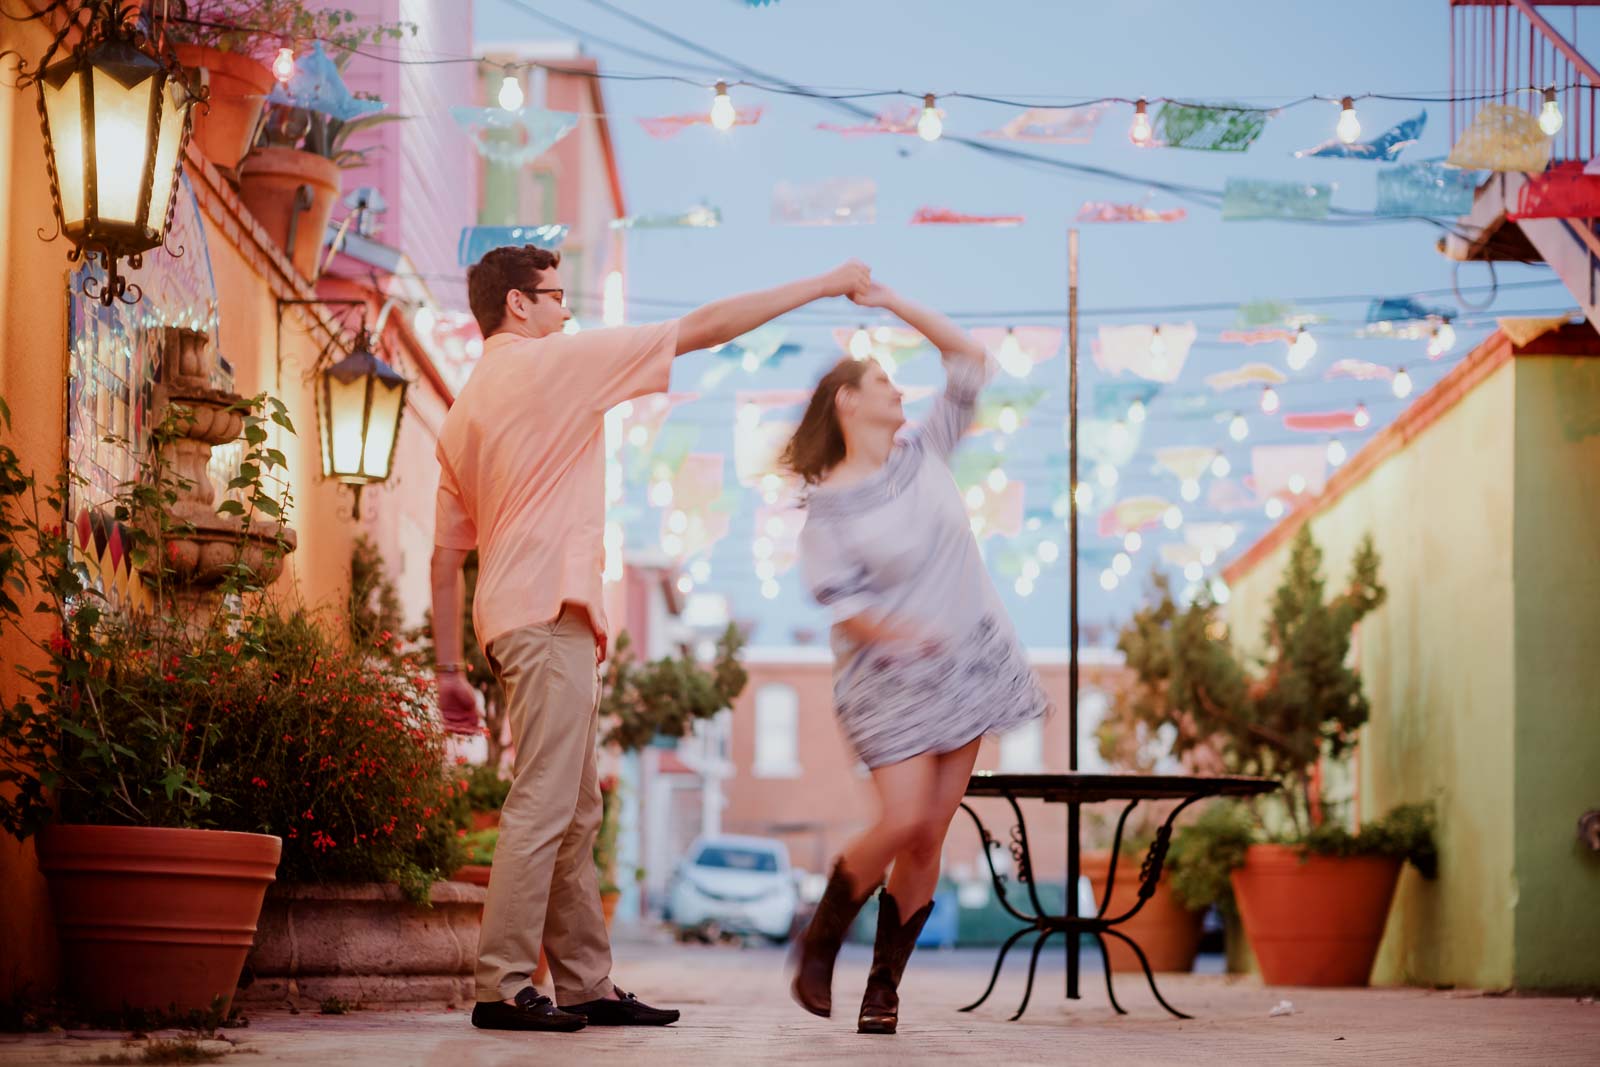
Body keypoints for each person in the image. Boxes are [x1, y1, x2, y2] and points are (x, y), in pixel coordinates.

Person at [432, 245, 872, 1033]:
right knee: (545, 800)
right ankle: (500, 984)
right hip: (543, 614)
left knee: (573, 810)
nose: (569, 310)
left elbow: (444, 557)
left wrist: (448, 669)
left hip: (514, 620)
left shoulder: (462, 412)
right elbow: (704, 327)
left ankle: (585, 981)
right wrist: (824, 283)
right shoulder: (553, 364)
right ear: (517, 307)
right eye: (556, 296)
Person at [782, 281, 1050, 1035]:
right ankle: (820, 935)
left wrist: (891, 301)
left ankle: (883, 987)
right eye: (882, 380)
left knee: (930, 833)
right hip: (889, 682)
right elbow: (843, 606)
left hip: (969, 666)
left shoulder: (925, 449)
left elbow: (968, 357)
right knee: (900, 820)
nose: (899, 389)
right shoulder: (829, 504)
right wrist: (895, 634)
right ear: (847, 402)